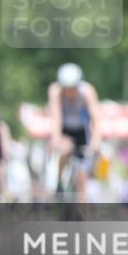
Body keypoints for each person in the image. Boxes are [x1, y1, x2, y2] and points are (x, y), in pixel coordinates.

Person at [47, 63, 102, 202]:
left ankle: (83, 213)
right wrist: (55, 139)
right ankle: (59, 182)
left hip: (81, 131)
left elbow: (96, 119)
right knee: (65, 149)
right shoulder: (55, 91)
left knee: (82, 174)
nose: (70, 92)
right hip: (65, 129)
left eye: (73, 88)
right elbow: (56, 118)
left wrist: (95, 141)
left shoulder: (87, 92)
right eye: (67, 89)